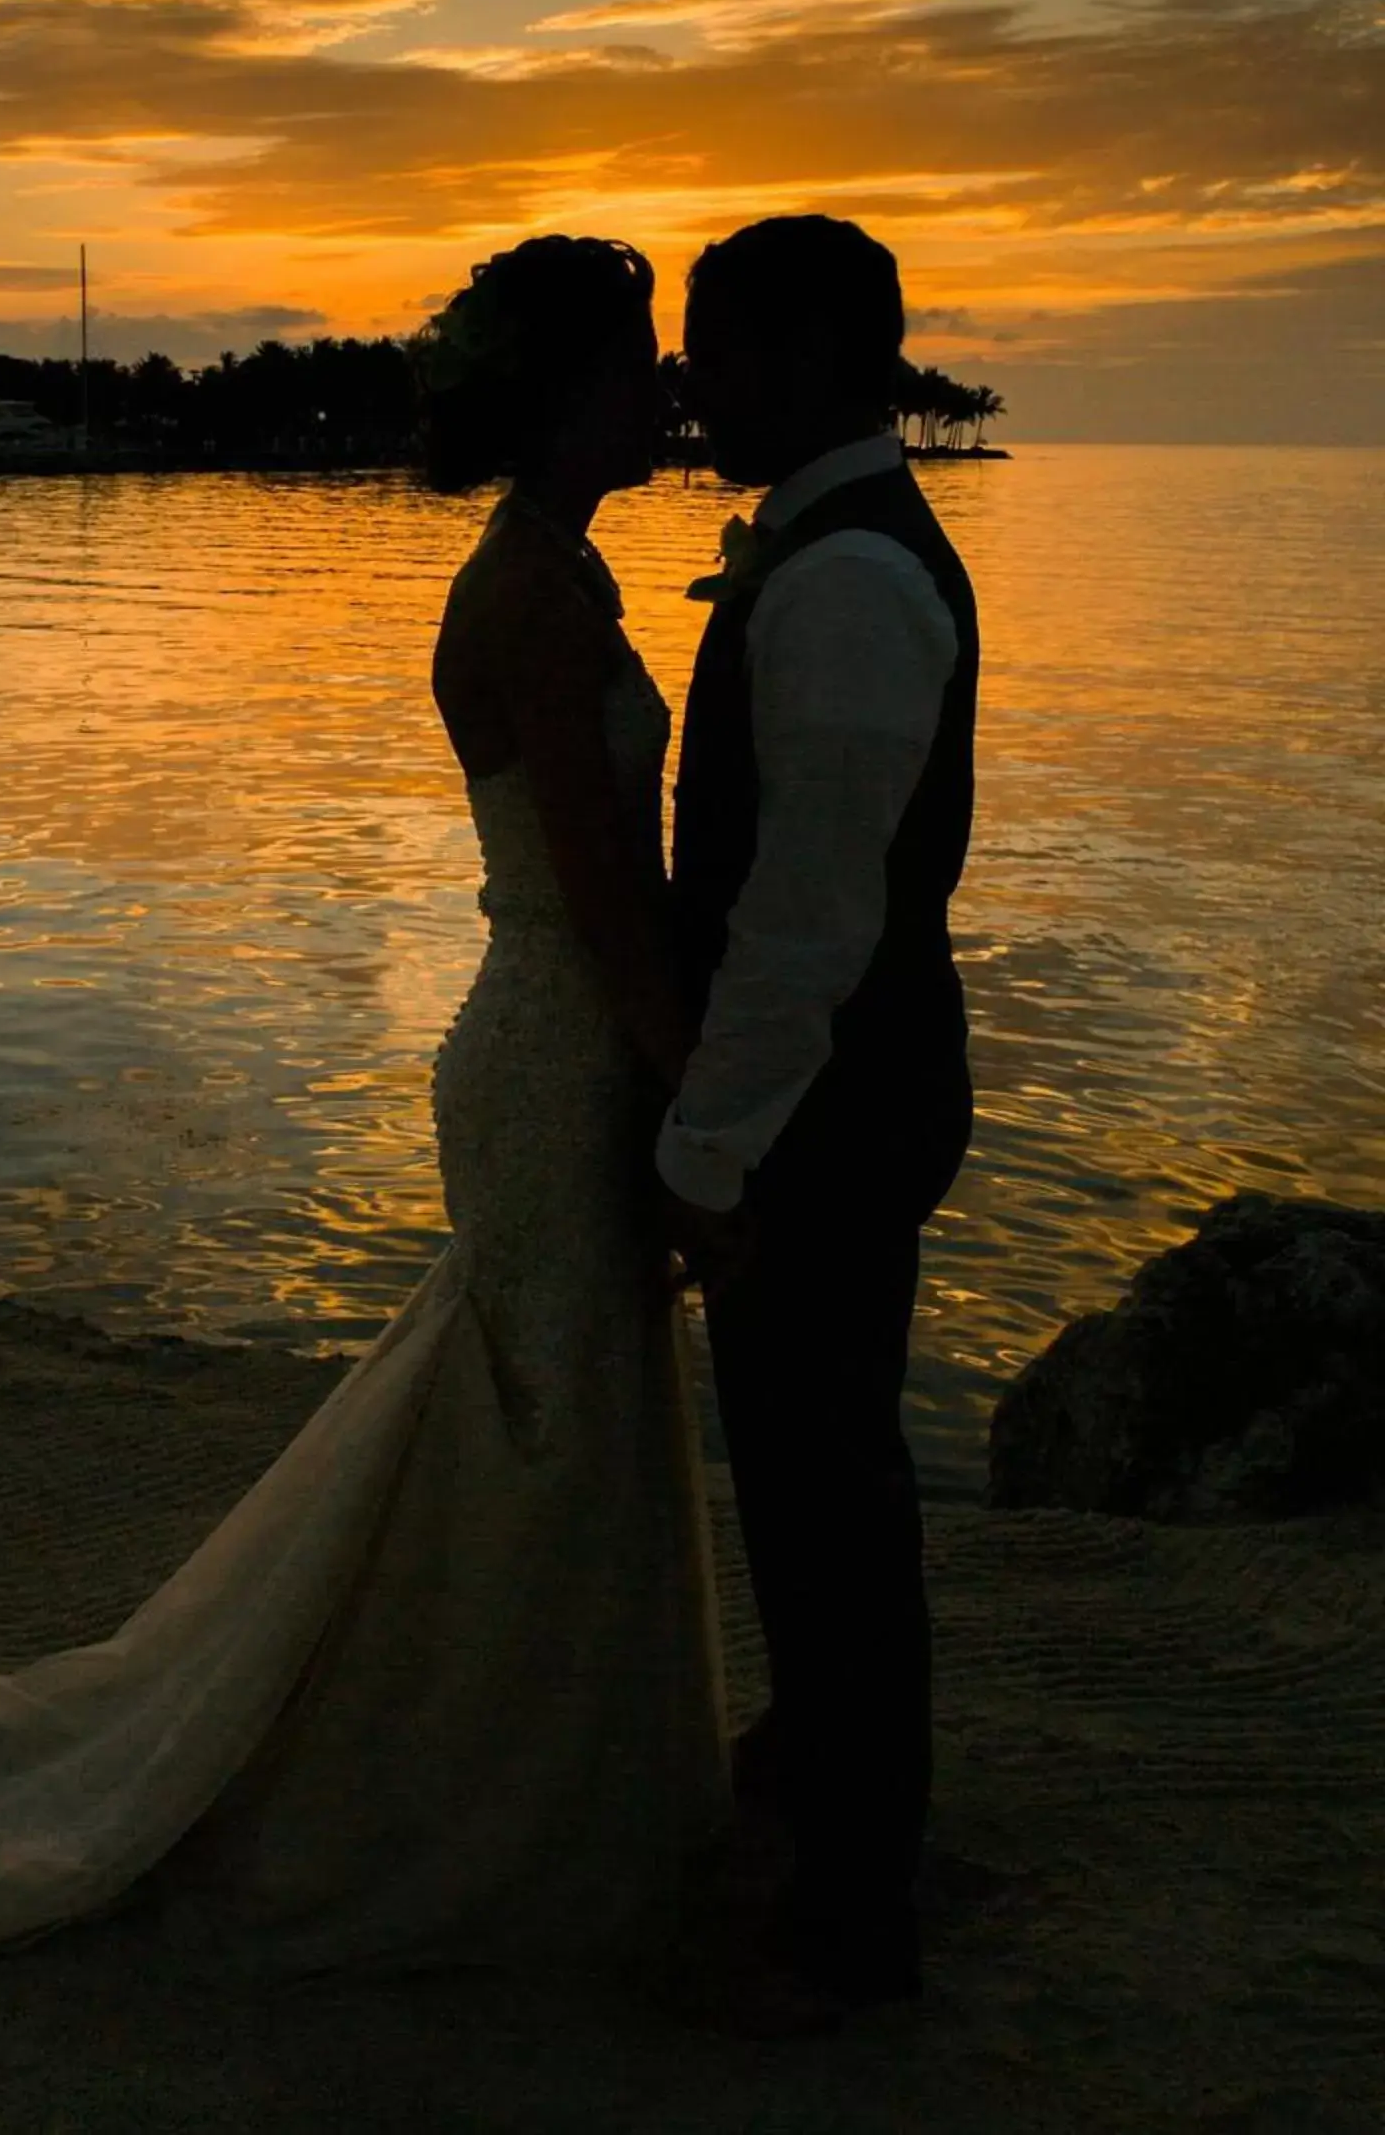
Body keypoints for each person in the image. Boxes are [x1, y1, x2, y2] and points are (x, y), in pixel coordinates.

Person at [0, 233, 728, 1981]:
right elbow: (601, 902)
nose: (659, 386)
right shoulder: (523, 592)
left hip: (549, 1041)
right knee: (547, 1419)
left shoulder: (557, 574)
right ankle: (484, 1804)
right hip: (556, 1054)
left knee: (538, 1419)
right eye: (636, 357)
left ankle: (538, 1783)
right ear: (568, 389)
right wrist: (700, 1119)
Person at [658, 214, 980, 2011]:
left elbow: (812, 915)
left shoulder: (849, 578)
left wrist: (711, 1145)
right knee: (808, 1470)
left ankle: (855, 1917)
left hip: (832, 1108)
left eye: (715, 349)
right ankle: (821, 1764)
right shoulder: (829, 548)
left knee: (830, 1491)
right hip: (845, 1090)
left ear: (803, 354)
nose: (694, 385)